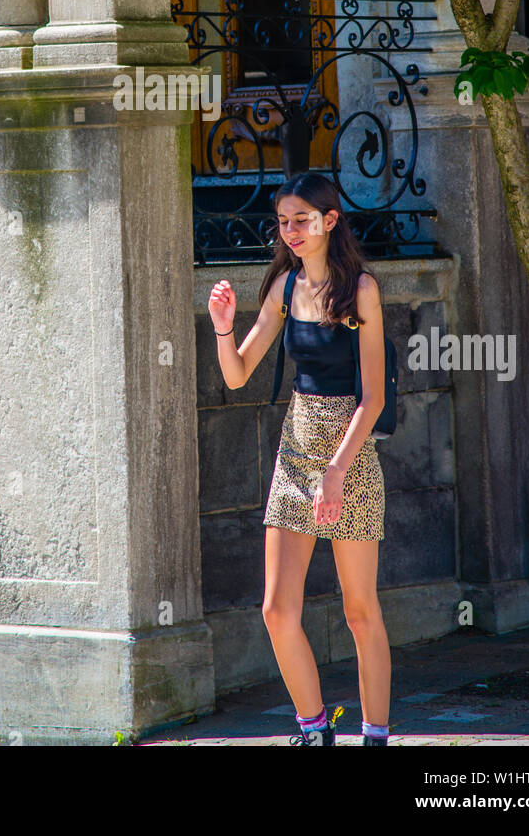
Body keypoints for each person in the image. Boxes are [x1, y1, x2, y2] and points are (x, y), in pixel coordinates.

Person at [208, 171, 391, 747]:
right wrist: (222, 330)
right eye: (283, 221)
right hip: (295, 452)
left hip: (349, 456)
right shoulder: (285, 288)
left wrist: (337, 470)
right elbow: (237, 374)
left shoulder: (360, 290)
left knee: (359, 611)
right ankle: (314, 730)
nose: (290, 231)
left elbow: (374, 396)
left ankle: (376, 735)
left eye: (301, 220)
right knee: (276, 610)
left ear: (330, 220)